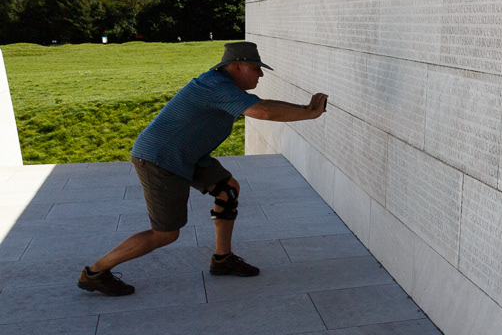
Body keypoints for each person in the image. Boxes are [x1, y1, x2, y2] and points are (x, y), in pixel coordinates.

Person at [78, 41, 328, 295]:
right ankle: (95, 272)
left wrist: (304, 109)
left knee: (227, 190)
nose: (260, 74)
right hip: (161, 158)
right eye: (255, 68)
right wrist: (309, 114)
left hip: (188, 155)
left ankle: (223, 259)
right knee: (165, 234)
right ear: (236, 66)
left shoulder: (223, 85)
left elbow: (262, 103)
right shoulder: (215, 87)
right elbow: (262, 111)